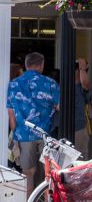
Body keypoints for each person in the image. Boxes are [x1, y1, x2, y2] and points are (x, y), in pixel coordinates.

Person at [6, 52, 59, 187]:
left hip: (23, 135)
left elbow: (11, 115)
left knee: (28, 173)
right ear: (41, 66)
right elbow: (60, 107)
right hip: (45, 134)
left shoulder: (13, 85)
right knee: (48, 174)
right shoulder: (50, 84)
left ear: (26, 65)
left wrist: (16, 134)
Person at [73, 58, 92, 158]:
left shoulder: (82, 87)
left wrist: (82, 67)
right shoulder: (63, 85)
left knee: (80, 160)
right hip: (62, 128)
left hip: (79, 127)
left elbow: (85, 83)